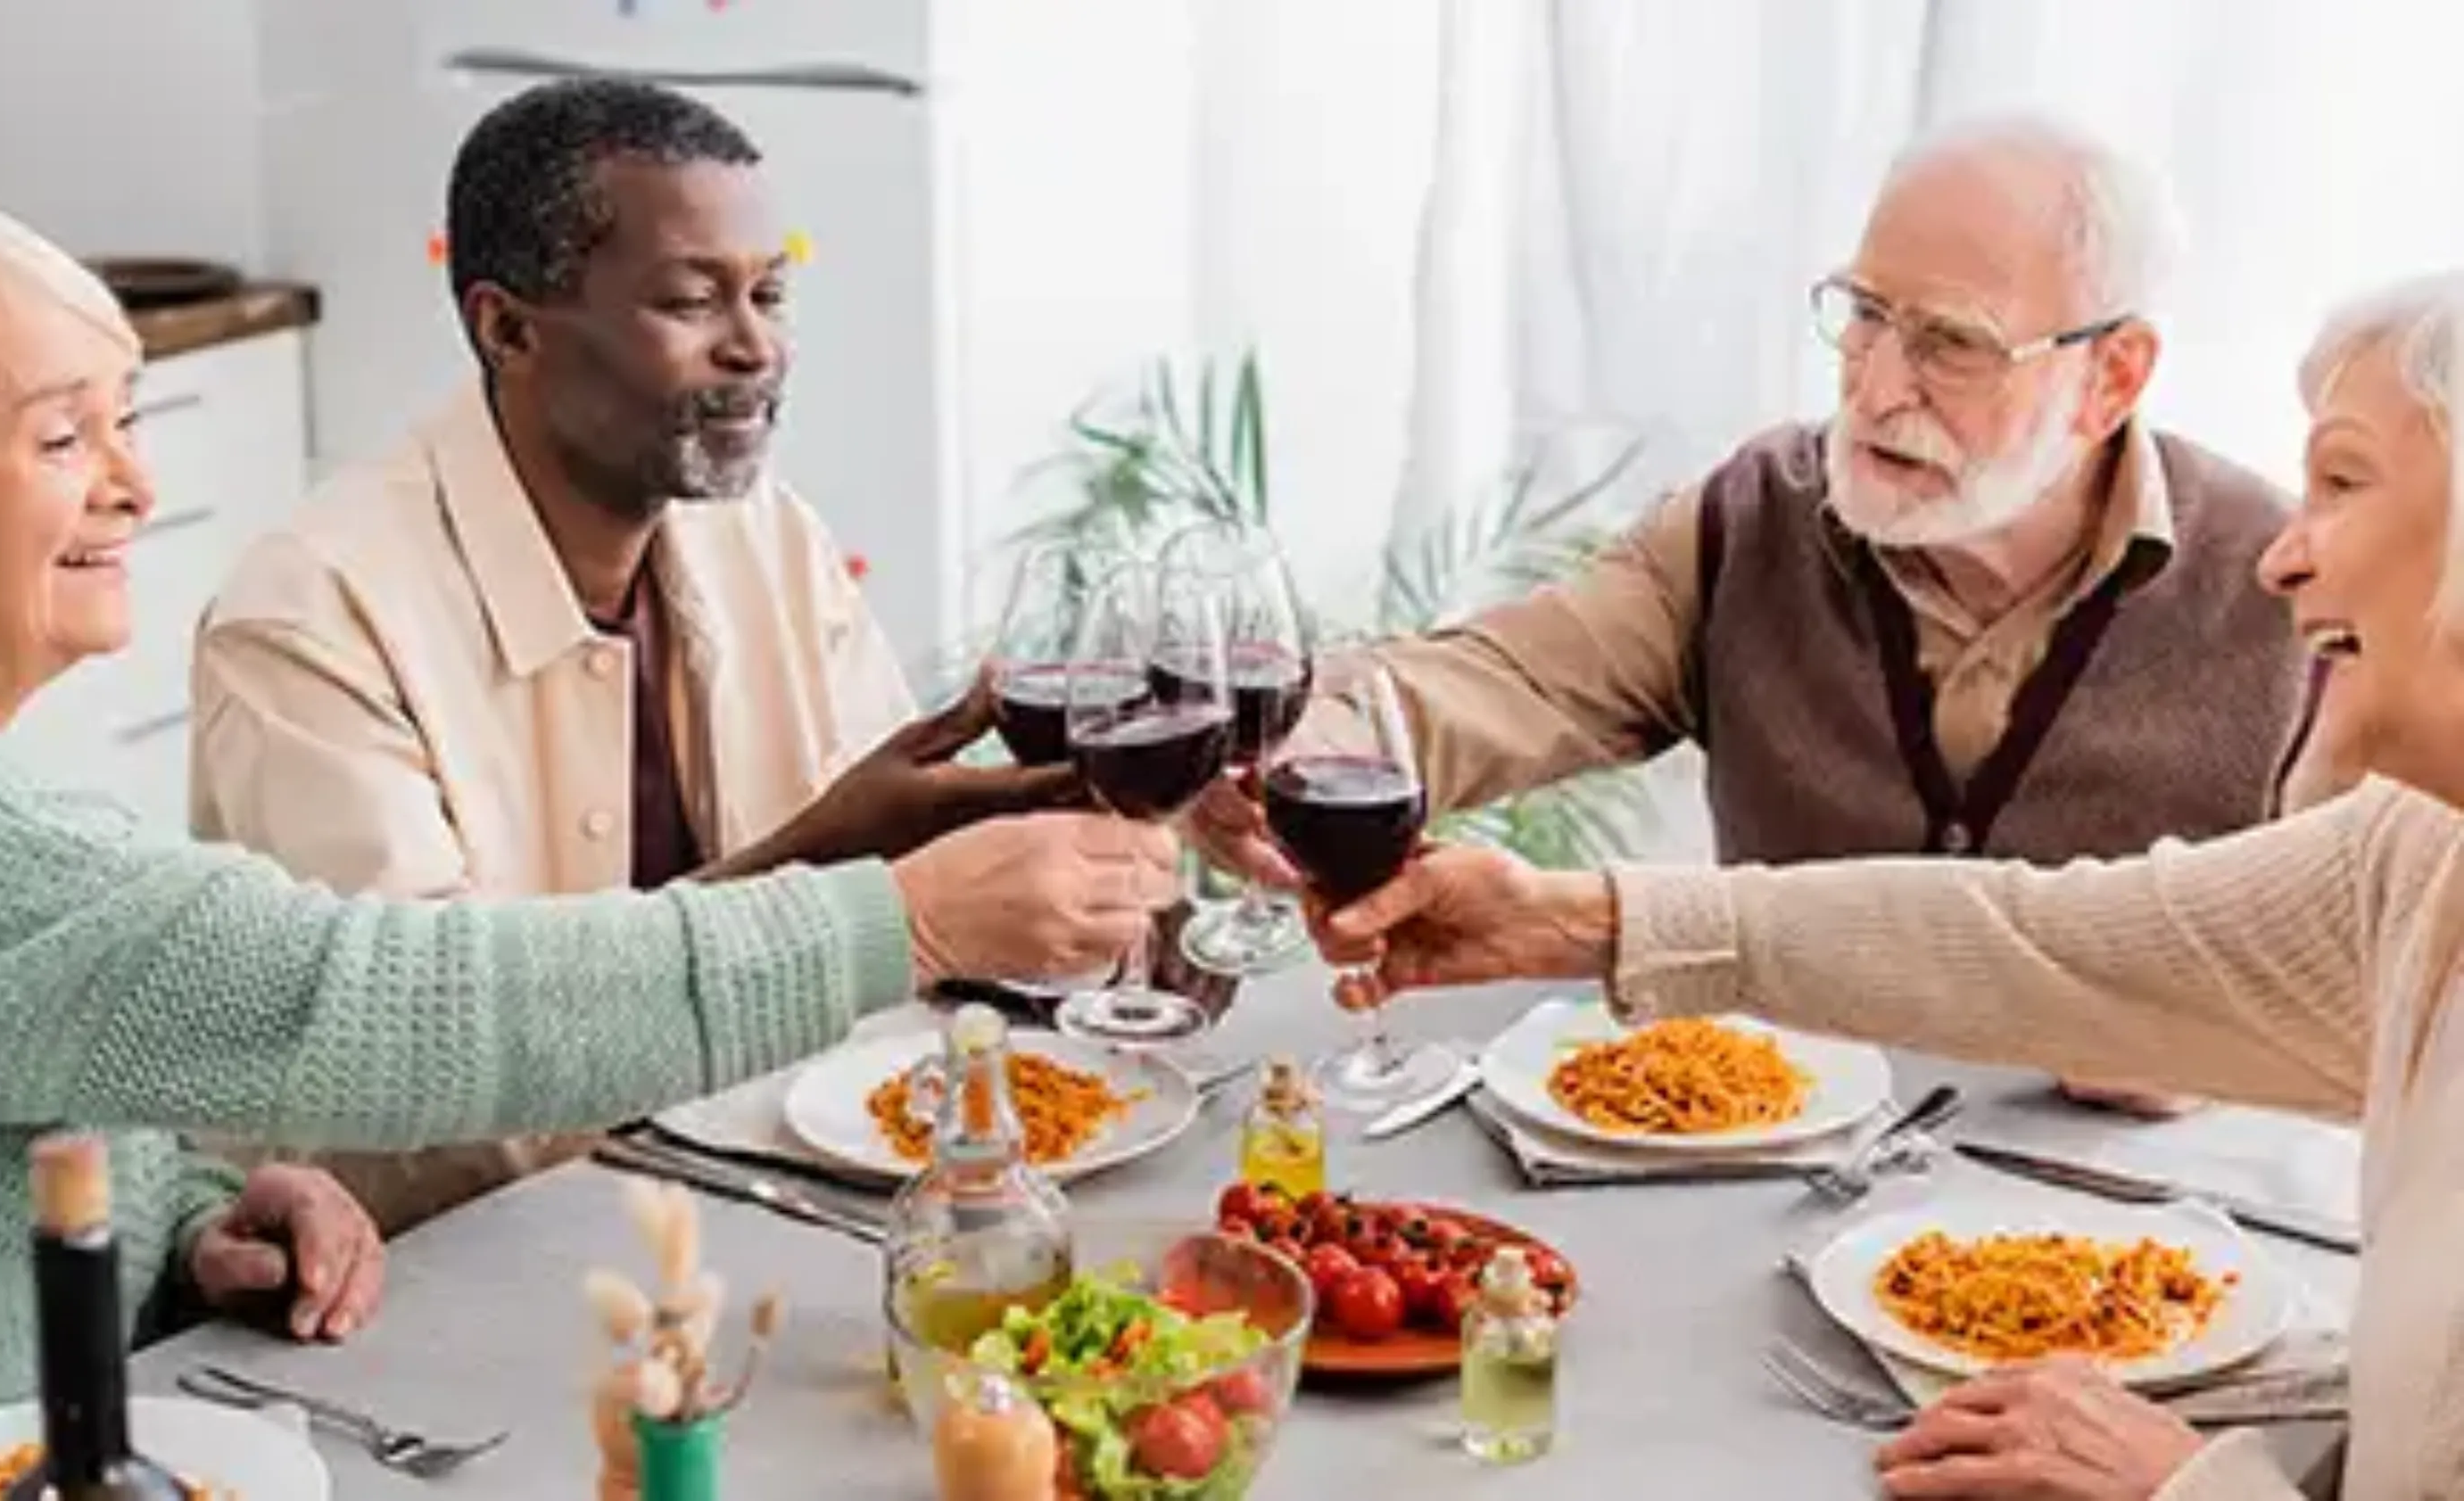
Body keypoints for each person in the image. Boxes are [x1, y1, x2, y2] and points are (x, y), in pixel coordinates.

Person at [0, 194, 1174, 1484]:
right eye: (58, 438)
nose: (135, 487)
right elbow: (362, 1000)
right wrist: (904, 919)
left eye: (128, 419)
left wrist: (185, 1214)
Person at [1311, 270, 2464, 1501]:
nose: (2286, 557)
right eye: (1861, 317)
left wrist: (2191, 1487)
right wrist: (1579, 919)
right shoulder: (2424, 847)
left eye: (2343, 482)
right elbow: (2047, 941)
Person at [1195, 113, 2324, 1117]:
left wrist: (2221, 1040)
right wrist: (1312, 742)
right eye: (1867, 316)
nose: (1879, 387)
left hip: (2151, 1248)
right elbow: (1516, 678)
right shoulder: (1755, 519)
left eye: (1953, 343)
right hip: (1761, 1187)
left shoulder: (2291, 598)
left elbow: (2359, 979)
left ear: (2114, 377)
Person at [184, 78, 1077, 1230]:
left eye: (770, 293)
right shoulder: (311, 617)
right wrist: (833, 859)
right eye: (693, 300)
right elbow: (419, 1078)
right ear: (508, 328)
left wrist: (1071, 871)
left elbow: (901, 957)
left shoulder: (768, 534)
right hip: (429, 1284)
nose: (755, 347)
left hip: (745, 1208)